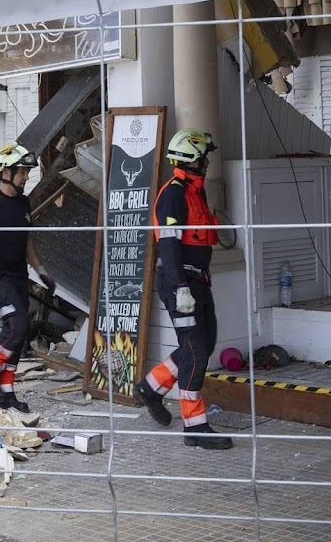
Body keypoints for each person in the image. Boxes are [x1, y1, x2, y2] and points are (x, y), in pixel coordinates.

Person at [133, 128, 233, 450]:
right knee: (196, 349)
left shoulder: (195, 191)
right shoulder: (173, 193)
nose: (208, 163)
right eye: (204, 157)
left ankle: (151, 387)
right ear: (193, 160)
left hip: (198, 279)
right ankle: (195, 425)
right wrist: (180, 288)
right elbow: (169, 246)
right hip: (180, 281)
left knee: (204, 342)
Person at [0, 143, 55, 413]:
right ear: (5, 172)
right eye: (22, 172)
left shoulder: (23, 203)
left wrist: (41, 270)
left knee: (19, 338)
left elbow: (25, 239)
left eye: (27, 172)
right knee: (15, 326)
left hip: (18, 275)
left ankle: (5, 394)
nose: (26, 177)